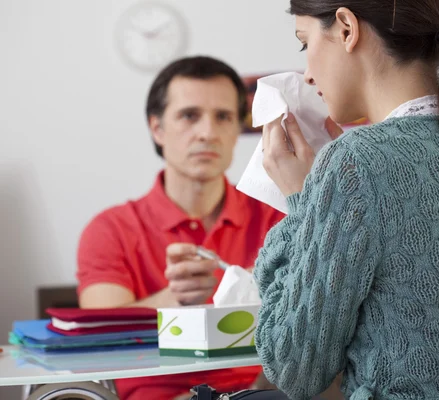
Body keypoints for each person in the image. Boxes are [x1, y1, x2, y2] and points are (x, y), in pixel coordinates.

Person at [252, 1, 439, 399]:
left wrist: (300, 200)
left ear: (346, 28)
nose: (307, 74)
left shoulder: (356, 161)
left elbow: (294, 368)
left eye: (304, 44)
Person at [76, 56, 284, 400]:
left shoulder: (275, 218)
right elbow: (101, 334)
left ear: (238, 130)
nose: (207, 132)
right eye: (189, 116)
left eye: (223, 117)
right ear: (157, 128)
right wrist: (174, 299)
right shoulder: (110, 229)